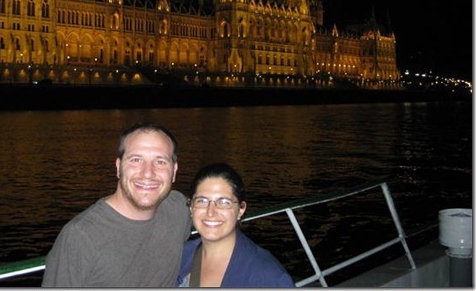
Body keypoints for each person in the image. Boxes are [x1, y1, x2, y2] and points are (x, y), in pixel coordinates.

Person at [42, 122, 192, 287]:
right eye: (136, 160)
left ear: (174, 171)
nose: (148, 173)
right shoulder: (80, 236)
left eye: (160, 162)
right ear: (119, 167)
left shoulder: (179, 208)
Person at [176, 162, 295, 287]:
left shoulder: (268, 277)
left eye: (224, 202)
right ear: (191, 206)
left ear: (241, 209)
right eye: (202, 201)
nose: (210, 212)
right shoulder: (180, 255)